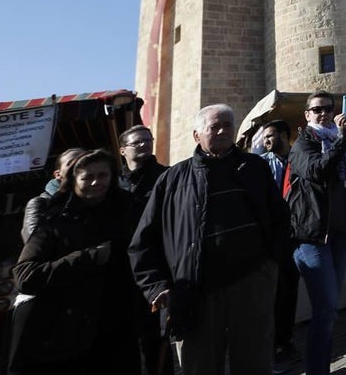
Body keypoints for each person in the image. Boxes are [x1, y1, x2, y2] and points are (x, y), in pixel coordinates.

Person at [130, 104, 290, 375]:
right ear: (196, 135)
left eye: (227, 125)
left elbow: (280, 218)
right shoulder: (172, 180)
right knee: (199, 364)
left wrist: (272, 265)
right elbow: (143, 242)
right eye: (213, 126)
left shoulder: (254, 167)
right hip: (196, 290)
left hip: (251, 284)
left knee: (255, 362)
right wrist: (157, 288)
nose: (222, 131)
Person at [11, 149, 138, 373]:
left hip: (118, 326)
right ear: (73, 180)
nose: (96, 182)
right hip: (65, 332)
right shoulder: (55, 220)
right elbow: (26, 276)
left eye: (103, 175)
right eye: (88, 177)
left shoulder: (130, 211)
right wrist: (88, 257)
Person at [287, 91, 346, 375]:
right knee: (328, 309)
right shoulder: (303, 144)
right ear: (307, 115)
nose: (323, 113)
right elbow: (316, 171)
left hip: (338, 235)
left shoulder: (337, 141)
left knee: (330, 312)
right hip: (312, 238)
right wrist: (341, 143)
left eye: (328, 108)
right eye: (317, 109)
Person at [115, 125, 172, 375]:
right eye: (137, 142)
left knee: (157, 336)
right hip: (121, 268)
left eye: (147, 141)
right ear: (122, 149)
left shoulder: (166, 176)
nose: (144, 145)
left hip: (155, 266)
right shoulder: (114, 184)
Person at [254, 120, 302, 373]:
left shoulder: (298, 158)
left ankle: (286, 340)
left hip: (296, 235)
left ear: (285, 135)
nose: (266, 141)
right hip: (274, 237)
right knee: (275, 293)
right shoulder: (262, 165)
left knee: (290, 291)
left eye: (271, 136)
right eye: (264, 137)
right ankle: (272, 347)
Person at [20, 148, 84, 243]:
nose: (79, 167)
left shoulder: (98, 197)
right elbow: (35, 244)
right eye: (71, 163)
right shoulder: (40, 204)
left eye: (84, 162)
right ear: (58, 174)